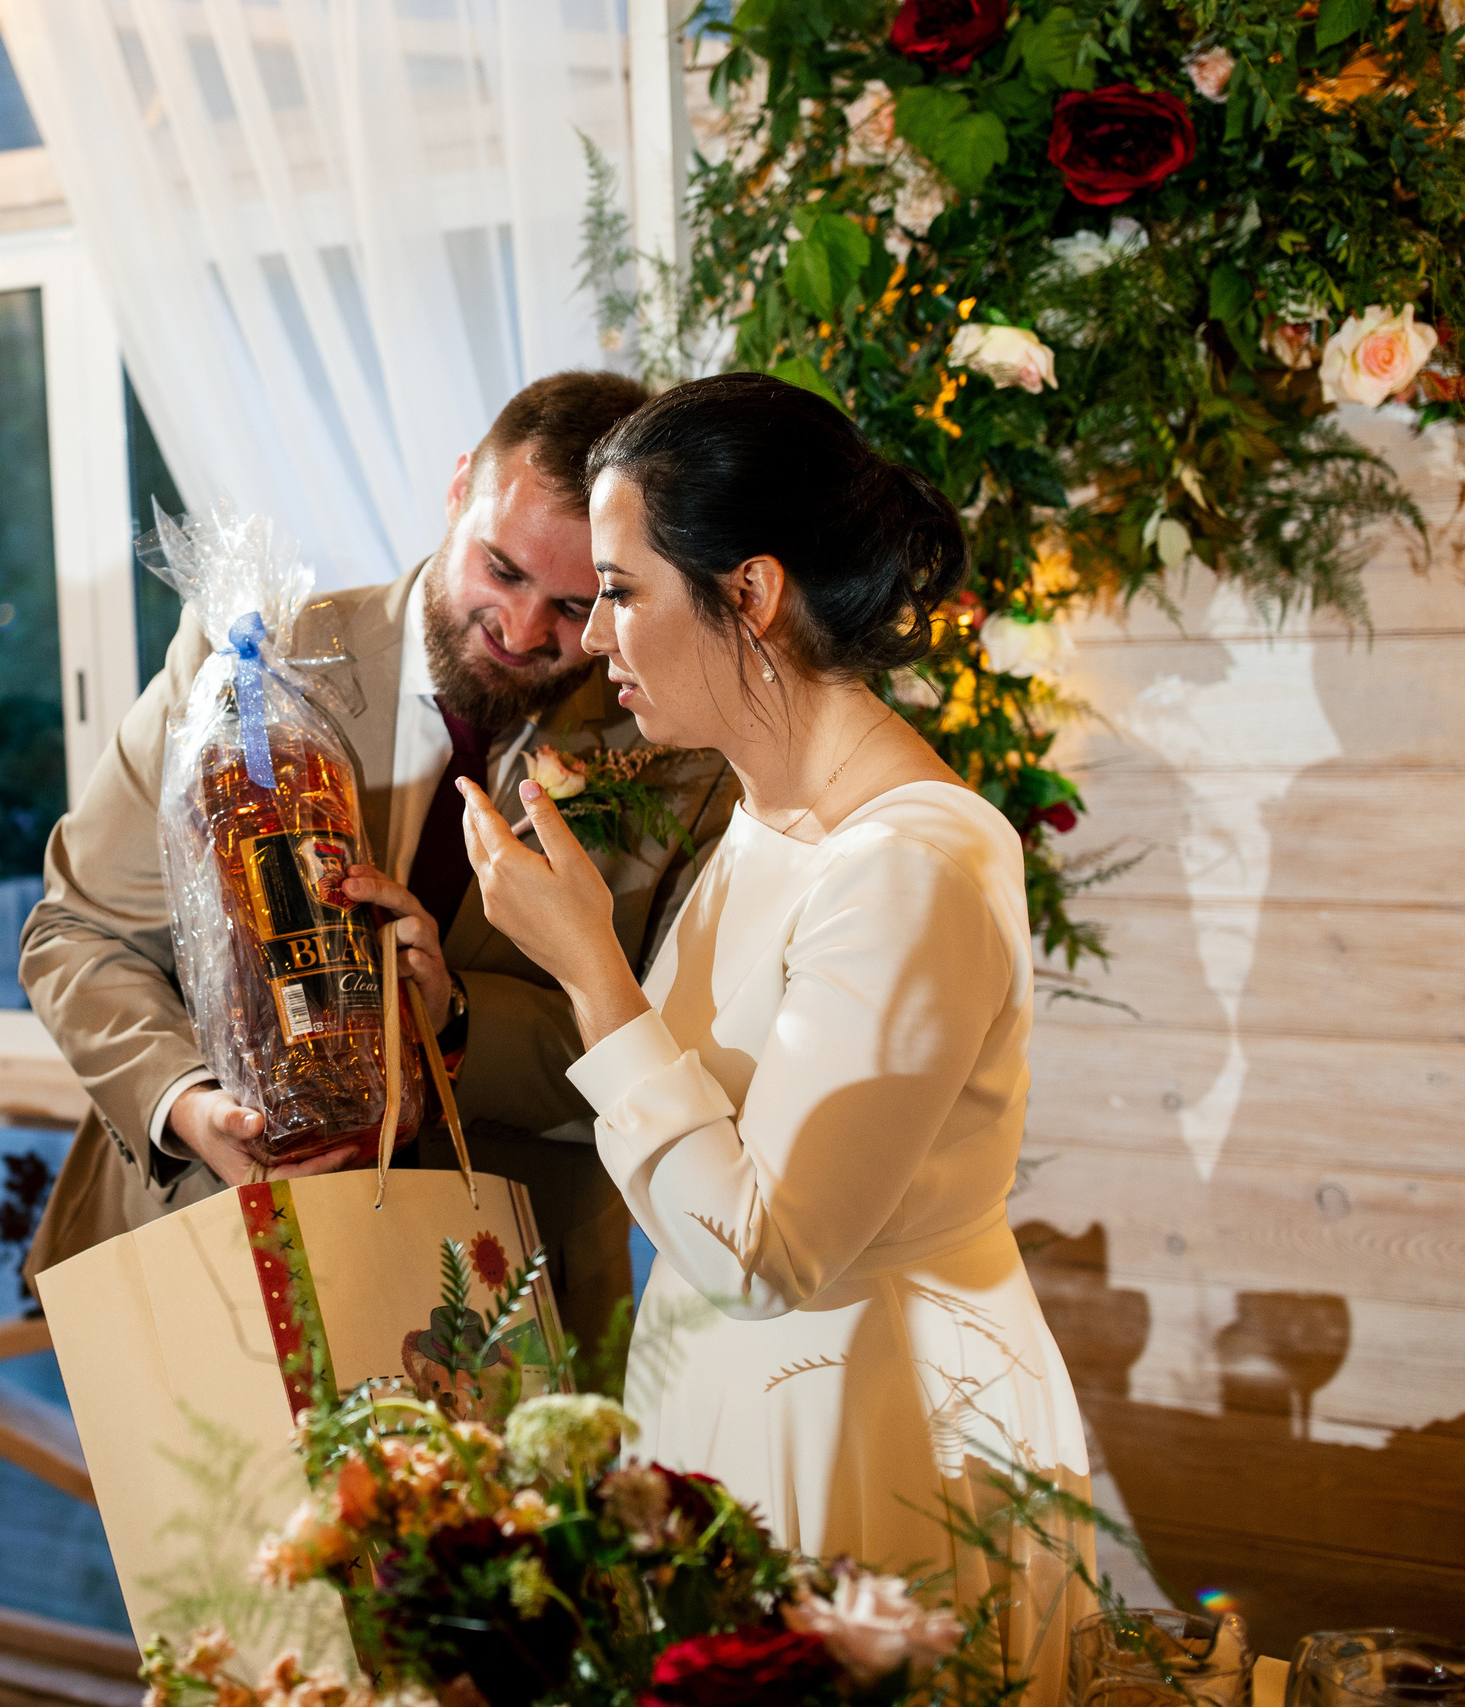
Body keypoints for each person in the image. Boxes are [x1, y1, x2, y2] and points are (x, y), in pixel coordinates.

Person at [458, 373, 1094, 1697]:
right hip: (727, 1404)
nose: (592, 638)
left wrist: (589, 967)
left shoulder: (913, 858)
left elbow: (771, 1248)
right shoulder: (762, 817)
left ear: (749, 593)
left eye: (621, 591)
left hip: (864, 1419)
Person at [21, 371, 736, 1341]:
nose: (525, 632)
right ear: (456, 492)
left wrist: (455, 1021)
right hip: (202, 1249)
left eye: (577, 605)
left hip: (503, 1301)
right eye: (503, 570)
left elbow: (680, 1053)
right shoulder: (243, 661)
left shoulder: (678, 761)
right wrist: (184, 1104)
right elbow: (79, 933)